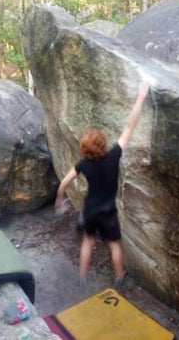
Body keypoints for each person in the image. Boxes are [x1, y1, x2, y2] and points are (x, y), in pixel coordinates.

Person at [54, 80, 150, 288]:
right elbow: (129, 127)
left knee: (88, 242)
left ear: (84, 148)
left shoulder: (83, 165)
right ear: (103, 144)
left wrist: (60, 199)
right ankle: (119, 276)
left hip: (90, 211)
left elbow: (64, 182)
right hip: (108, 211)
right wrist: (141, 97)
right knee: (114, 244)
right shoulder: (114, 156)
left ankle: (82, 276)